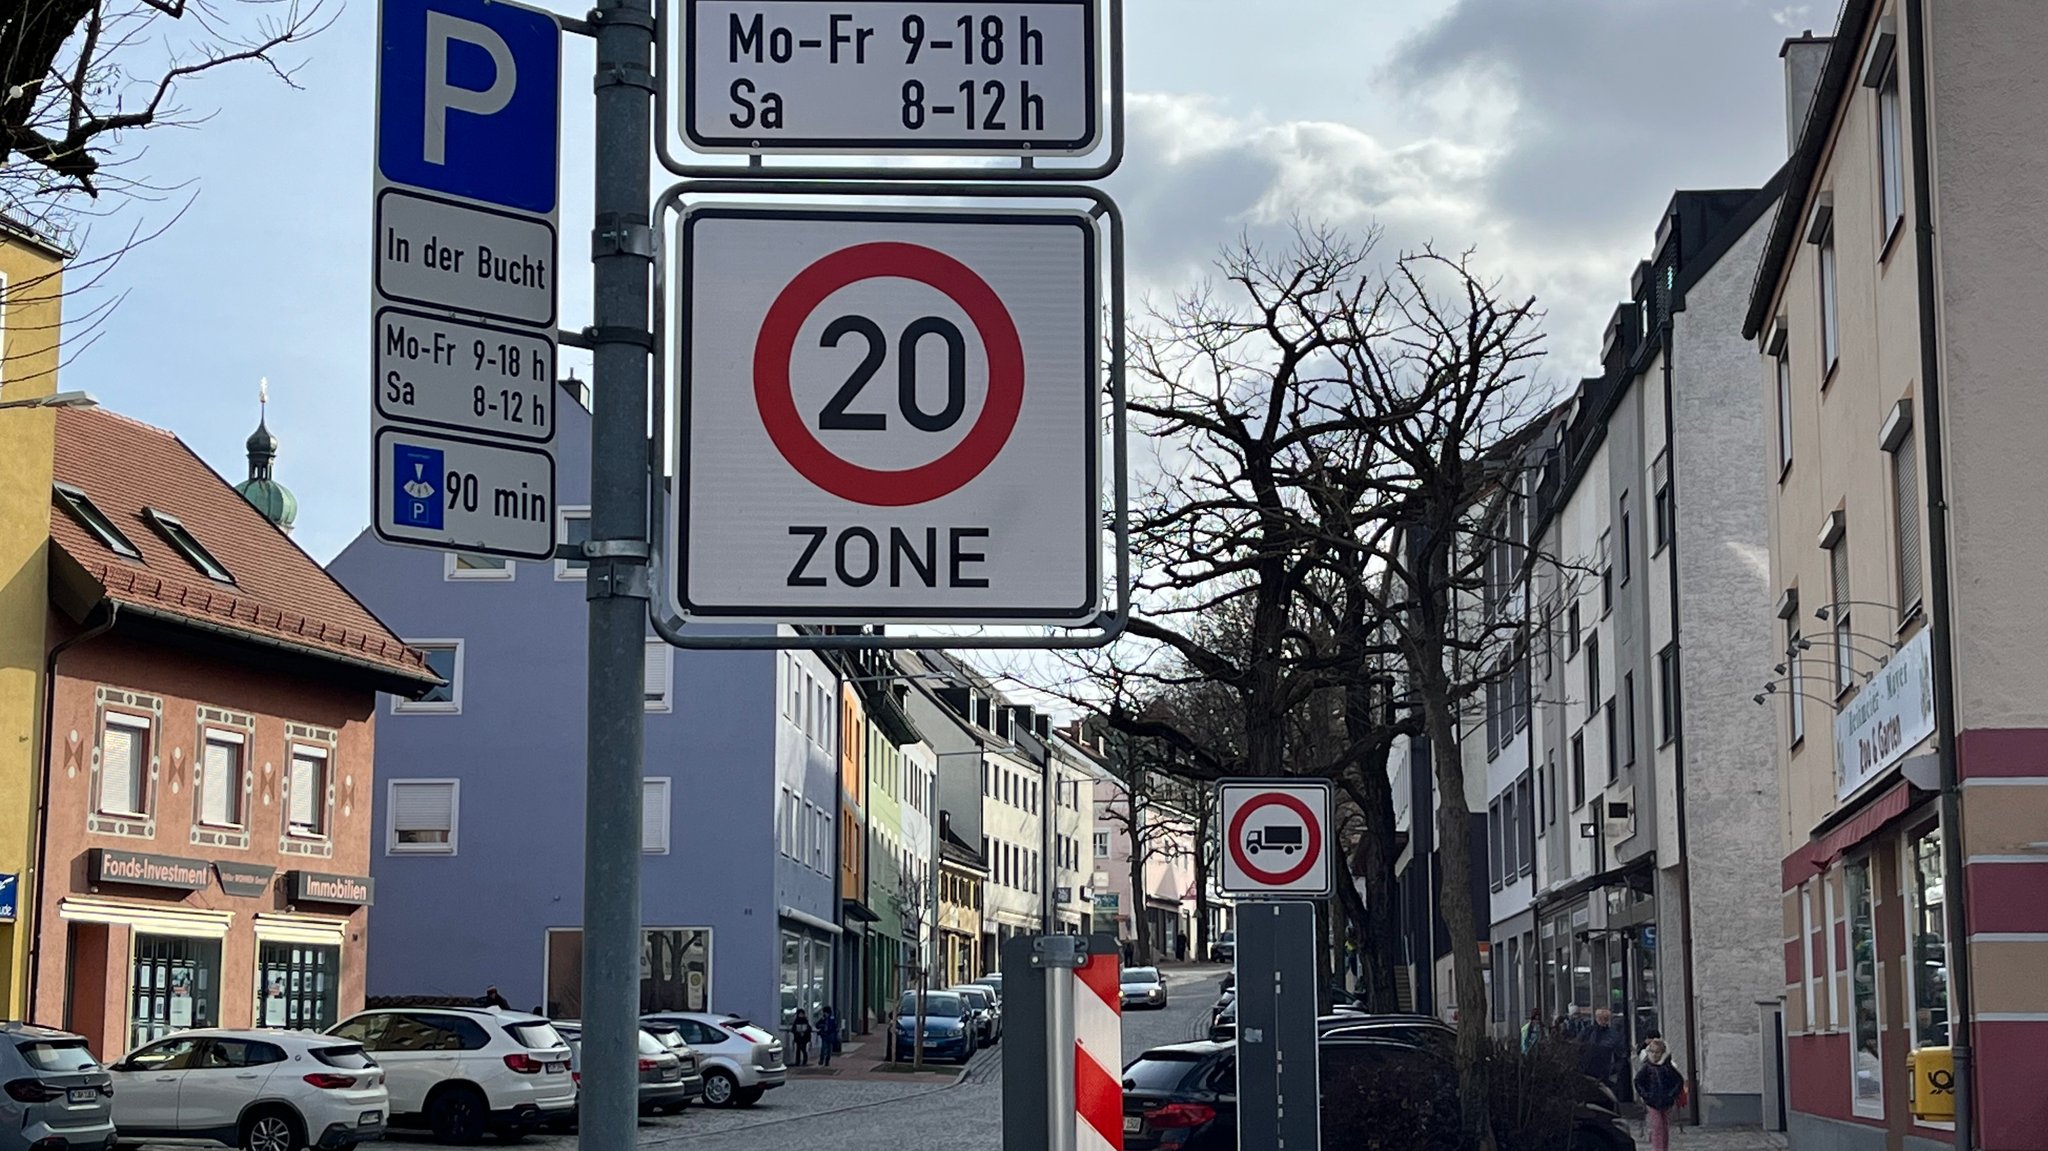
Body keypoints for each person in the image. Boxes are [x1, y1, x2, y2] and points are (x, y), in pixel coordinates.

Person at [1633, 1037, 1686, 1151]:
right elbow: (1638, 1082)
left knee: (1665, 1126)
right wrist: (1646, 1095)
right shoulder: (1647, 1067)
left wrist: (1672, 1094)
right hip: (1652, 1101)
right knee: (1657, 1126)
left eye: (1657, 1052)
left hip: (1666, 1101)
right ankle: (1657, 1149)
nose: (1655, 1055)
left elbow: (1679, 1081)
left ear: (1662, 1053)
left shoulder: (1667, 1067)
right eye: (1652, 1052)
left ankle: (1664, 1148)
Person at [1585, 1007, 1630, 1097]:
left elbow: (1621, 1052)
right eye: (1600, 1018)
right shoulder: (1588, 1031)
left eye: (1605, 1018)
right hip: (1590, 1069)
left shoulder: (1613, 1034)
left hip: (1606, 1071)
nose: (1603, 1021)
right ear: (1596, 1018)